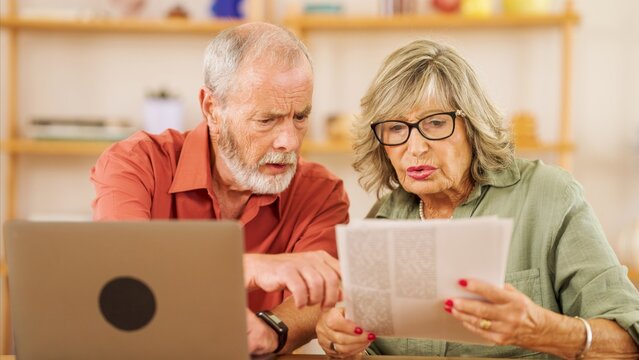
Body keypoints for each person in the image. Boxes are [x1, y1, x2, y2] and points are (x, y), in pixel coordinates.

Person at [316, 39, 639, 359]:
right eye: (396, 128)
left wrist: (543, 330)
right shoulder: (383, 218)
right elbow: (368, 347)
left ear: (473, 125)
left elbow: (628, 341)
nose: (414, 148)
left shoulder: (549, 196)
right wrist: (342, 343)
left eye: (436, 123)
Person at [90, 22, 350, 355]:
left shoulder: (321, 192)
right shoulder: (135, 163)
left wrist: (271, 330)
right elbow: (122, 266)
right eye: (266, 120)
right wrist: (249, 267)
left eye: (300, 117)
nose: (289, 141)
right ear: (212, 109)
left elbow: (319, 293)